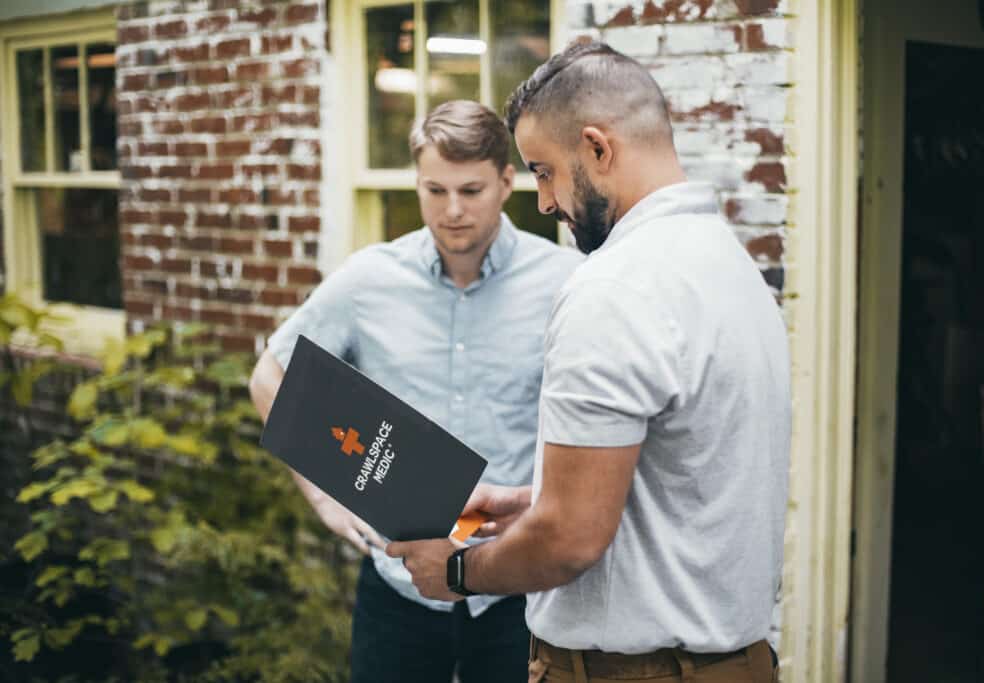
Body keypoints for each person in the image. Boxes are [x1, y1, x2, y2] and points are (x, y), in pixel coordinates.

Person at [389, 41, 791, 683]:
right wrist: (537, 500)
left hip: (633, 672)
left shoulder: (614, 288)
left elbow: (571, 539)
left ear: (598, 149)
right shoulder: (729, 266)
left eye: (544, 171)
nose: (544, 201)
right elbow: (678, 478)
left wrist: (457, 572)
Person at [248, 100, 582, 683]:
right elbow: (270, 377)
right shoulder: (368, 279)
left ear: (508, 183)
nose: (452, 211)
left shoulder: (563, 283)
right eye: (435, 190)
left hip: (515, 591)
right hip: (397, 586)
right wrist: (323, 493)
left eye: (471, 190)